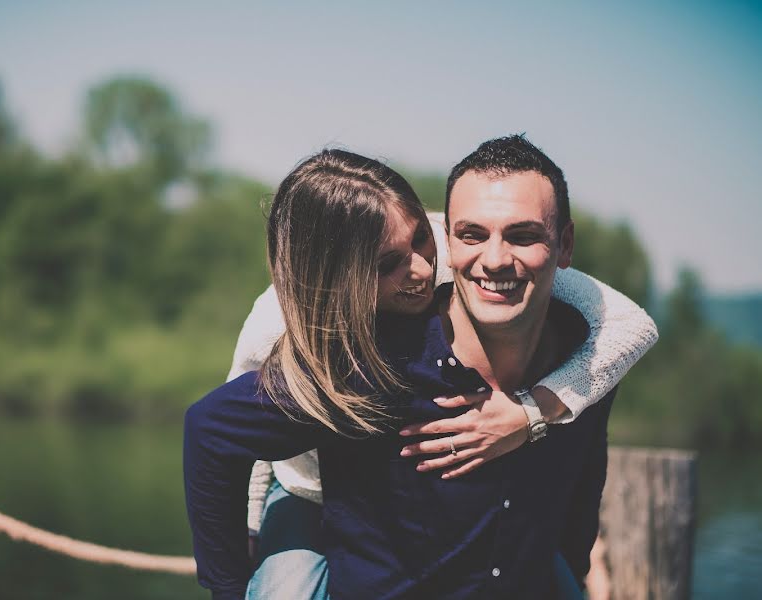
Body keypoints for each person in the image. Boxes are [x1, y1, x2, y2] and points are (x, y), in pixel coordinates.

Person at [184, 138, 656, 599]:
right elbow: (217, 429)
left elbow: (581, 484)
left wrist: (535, 412)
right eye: (387, 263)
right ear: (344, 276)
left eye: (524, 235)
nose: (418, 270)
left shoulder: (584, 350)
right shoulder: (342, 352)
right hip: (302, 491)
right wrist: (230, 576)